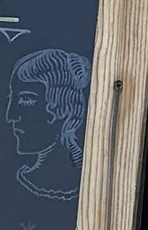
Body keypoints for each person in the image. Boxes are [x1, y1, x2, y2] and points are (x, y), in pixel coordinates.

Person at [7, 44, 89, 197]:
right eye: (11, 99)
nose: (11, 116)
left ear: (60, 108)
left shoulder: (93, 176)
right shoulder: (10, 183)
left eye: (26, 99)